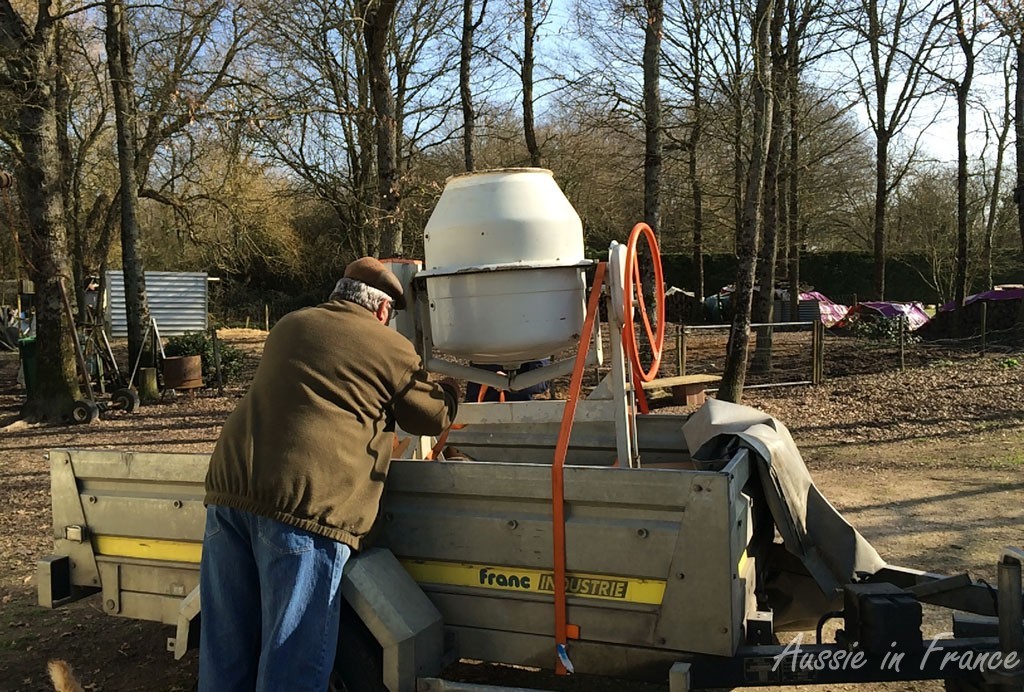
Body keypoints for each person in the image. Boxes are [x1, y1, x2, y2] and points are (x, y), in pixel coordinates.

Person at [199, 257, 458, 692]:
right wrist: (450, 391)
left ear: (339, 293)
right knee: (292, 657)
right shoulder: (387, 345)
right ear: (382, 311)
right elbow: (429, 417)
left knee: (228, 651)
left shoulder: (289, 325)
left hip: (229, 495)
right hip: (304, 509)